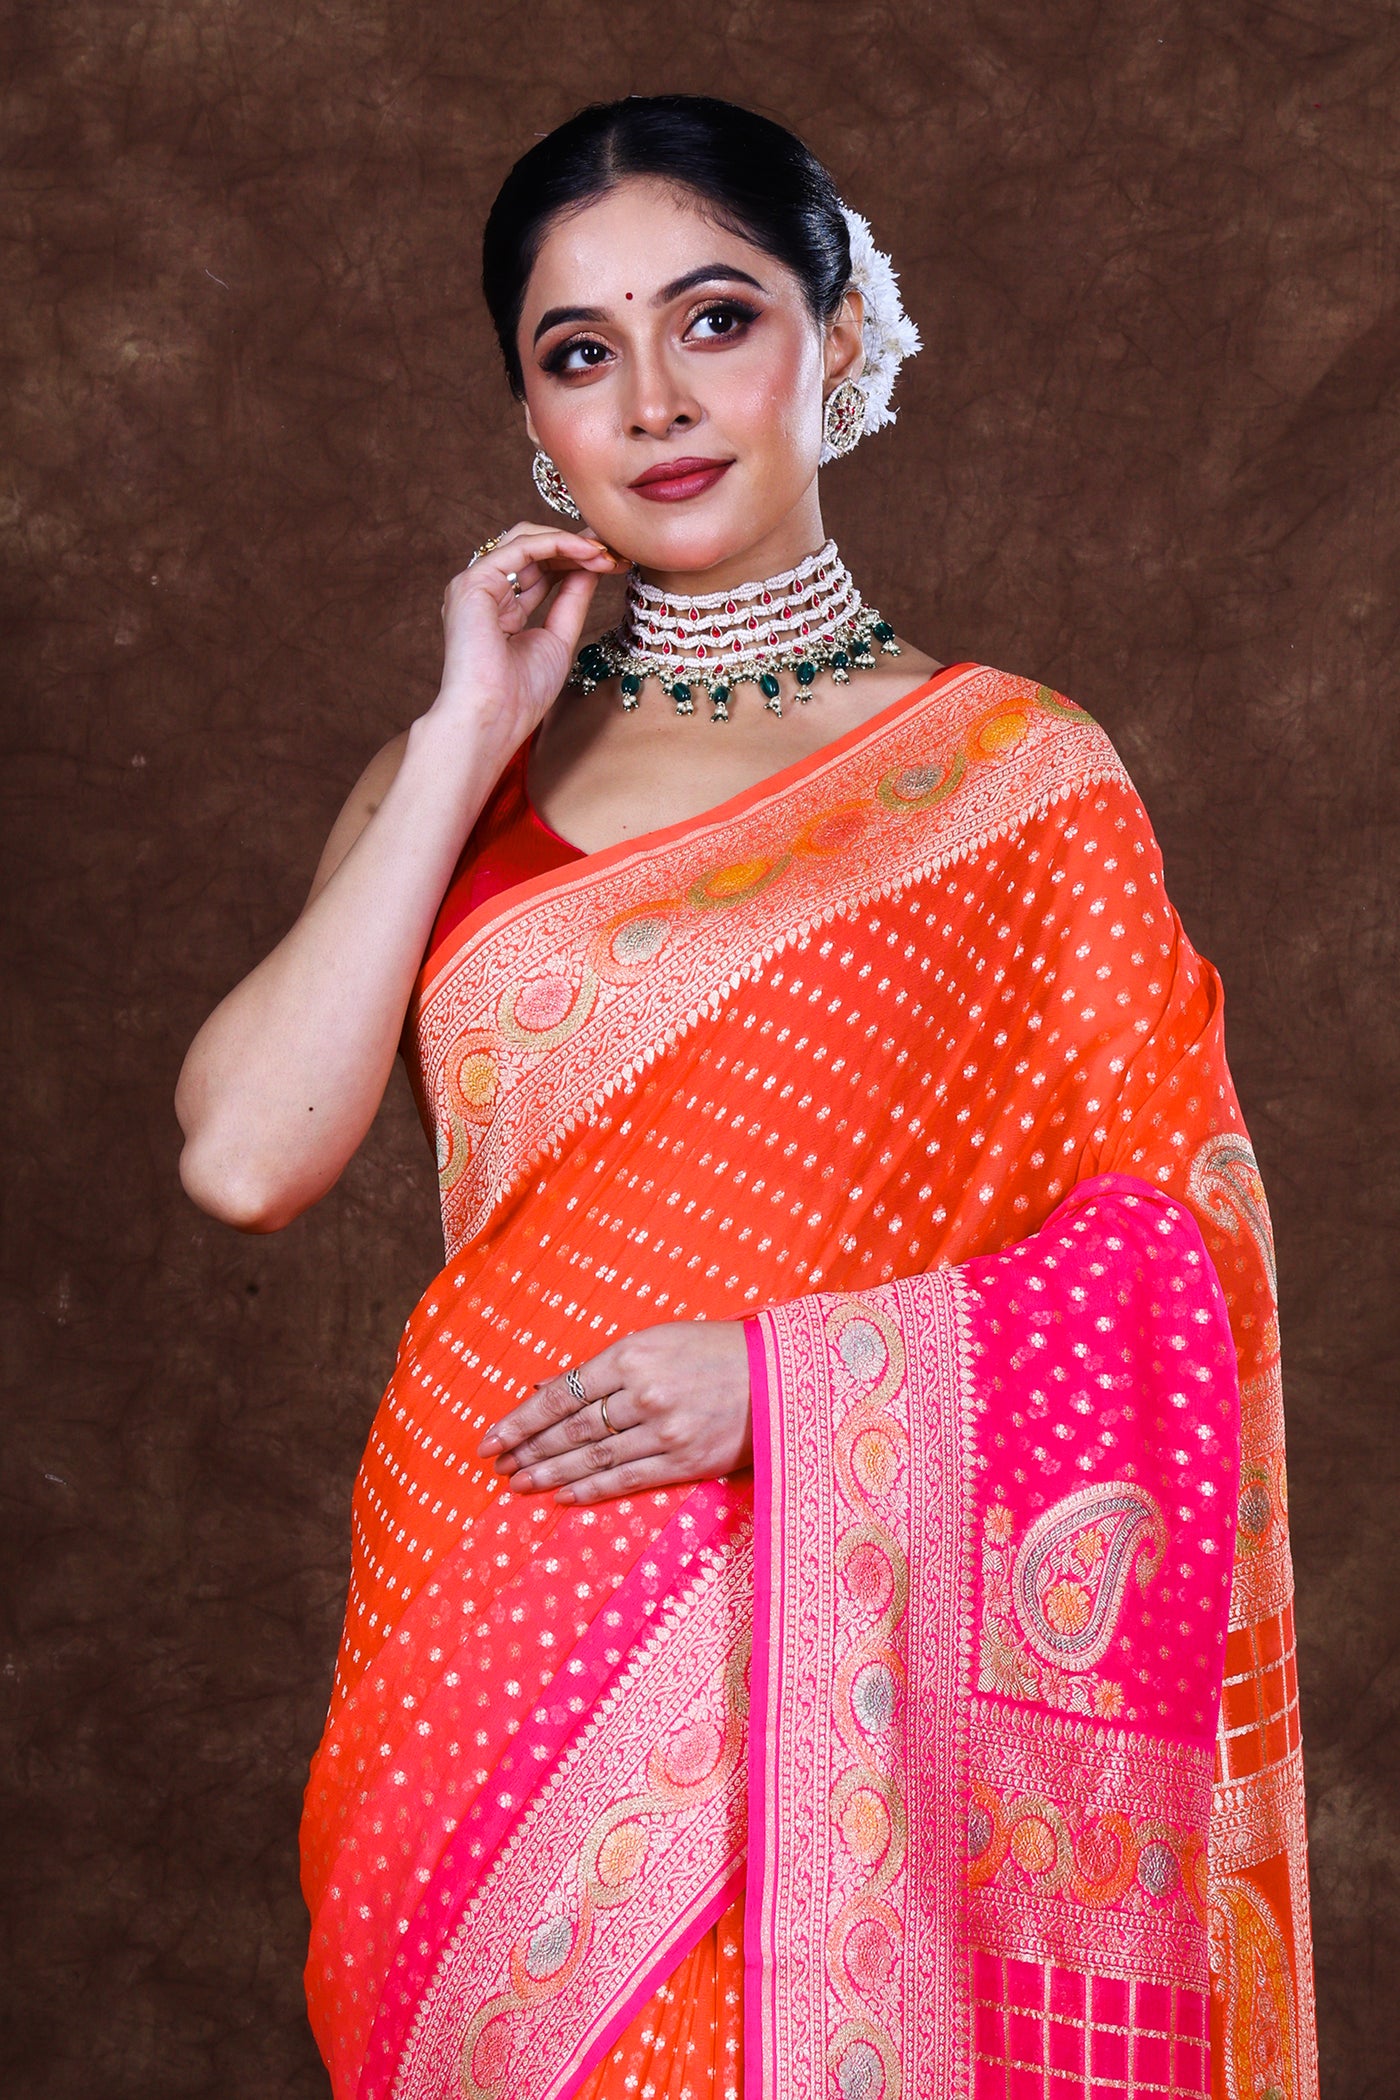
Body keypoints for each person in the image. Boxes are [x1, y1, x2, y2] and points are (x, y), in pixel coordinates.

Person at [175, 94, 1315, 2100]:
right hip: (482, 1623)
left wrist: (787, 1383)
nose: (653, 403)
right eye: (579, 353)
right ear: (536, 417)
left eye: (715, 318)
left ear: (838, 334)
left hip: (828, 1669)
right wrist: (464, 729)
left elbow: (1173, 1276)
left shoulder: (1013, 781)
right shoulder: (464, 782)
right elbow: (249, 1156)